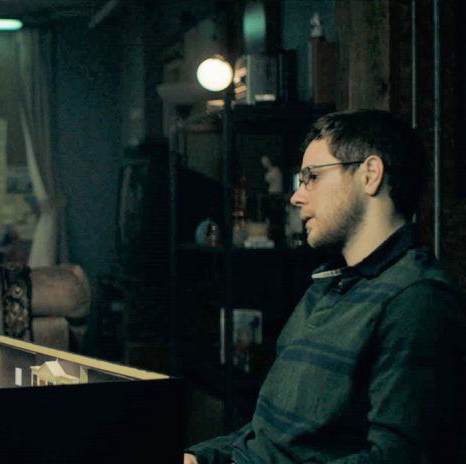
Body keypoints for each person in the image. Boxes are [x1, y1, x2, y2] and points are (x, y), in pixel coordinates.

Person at [185, 110, 465, 463]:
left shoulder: (417, 300)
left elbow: (398, 458)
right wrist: (203, 457)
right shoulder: (326, 285)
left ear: (370, 174)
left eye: (312, 177)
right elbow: (271, 437)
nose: (296, 196)